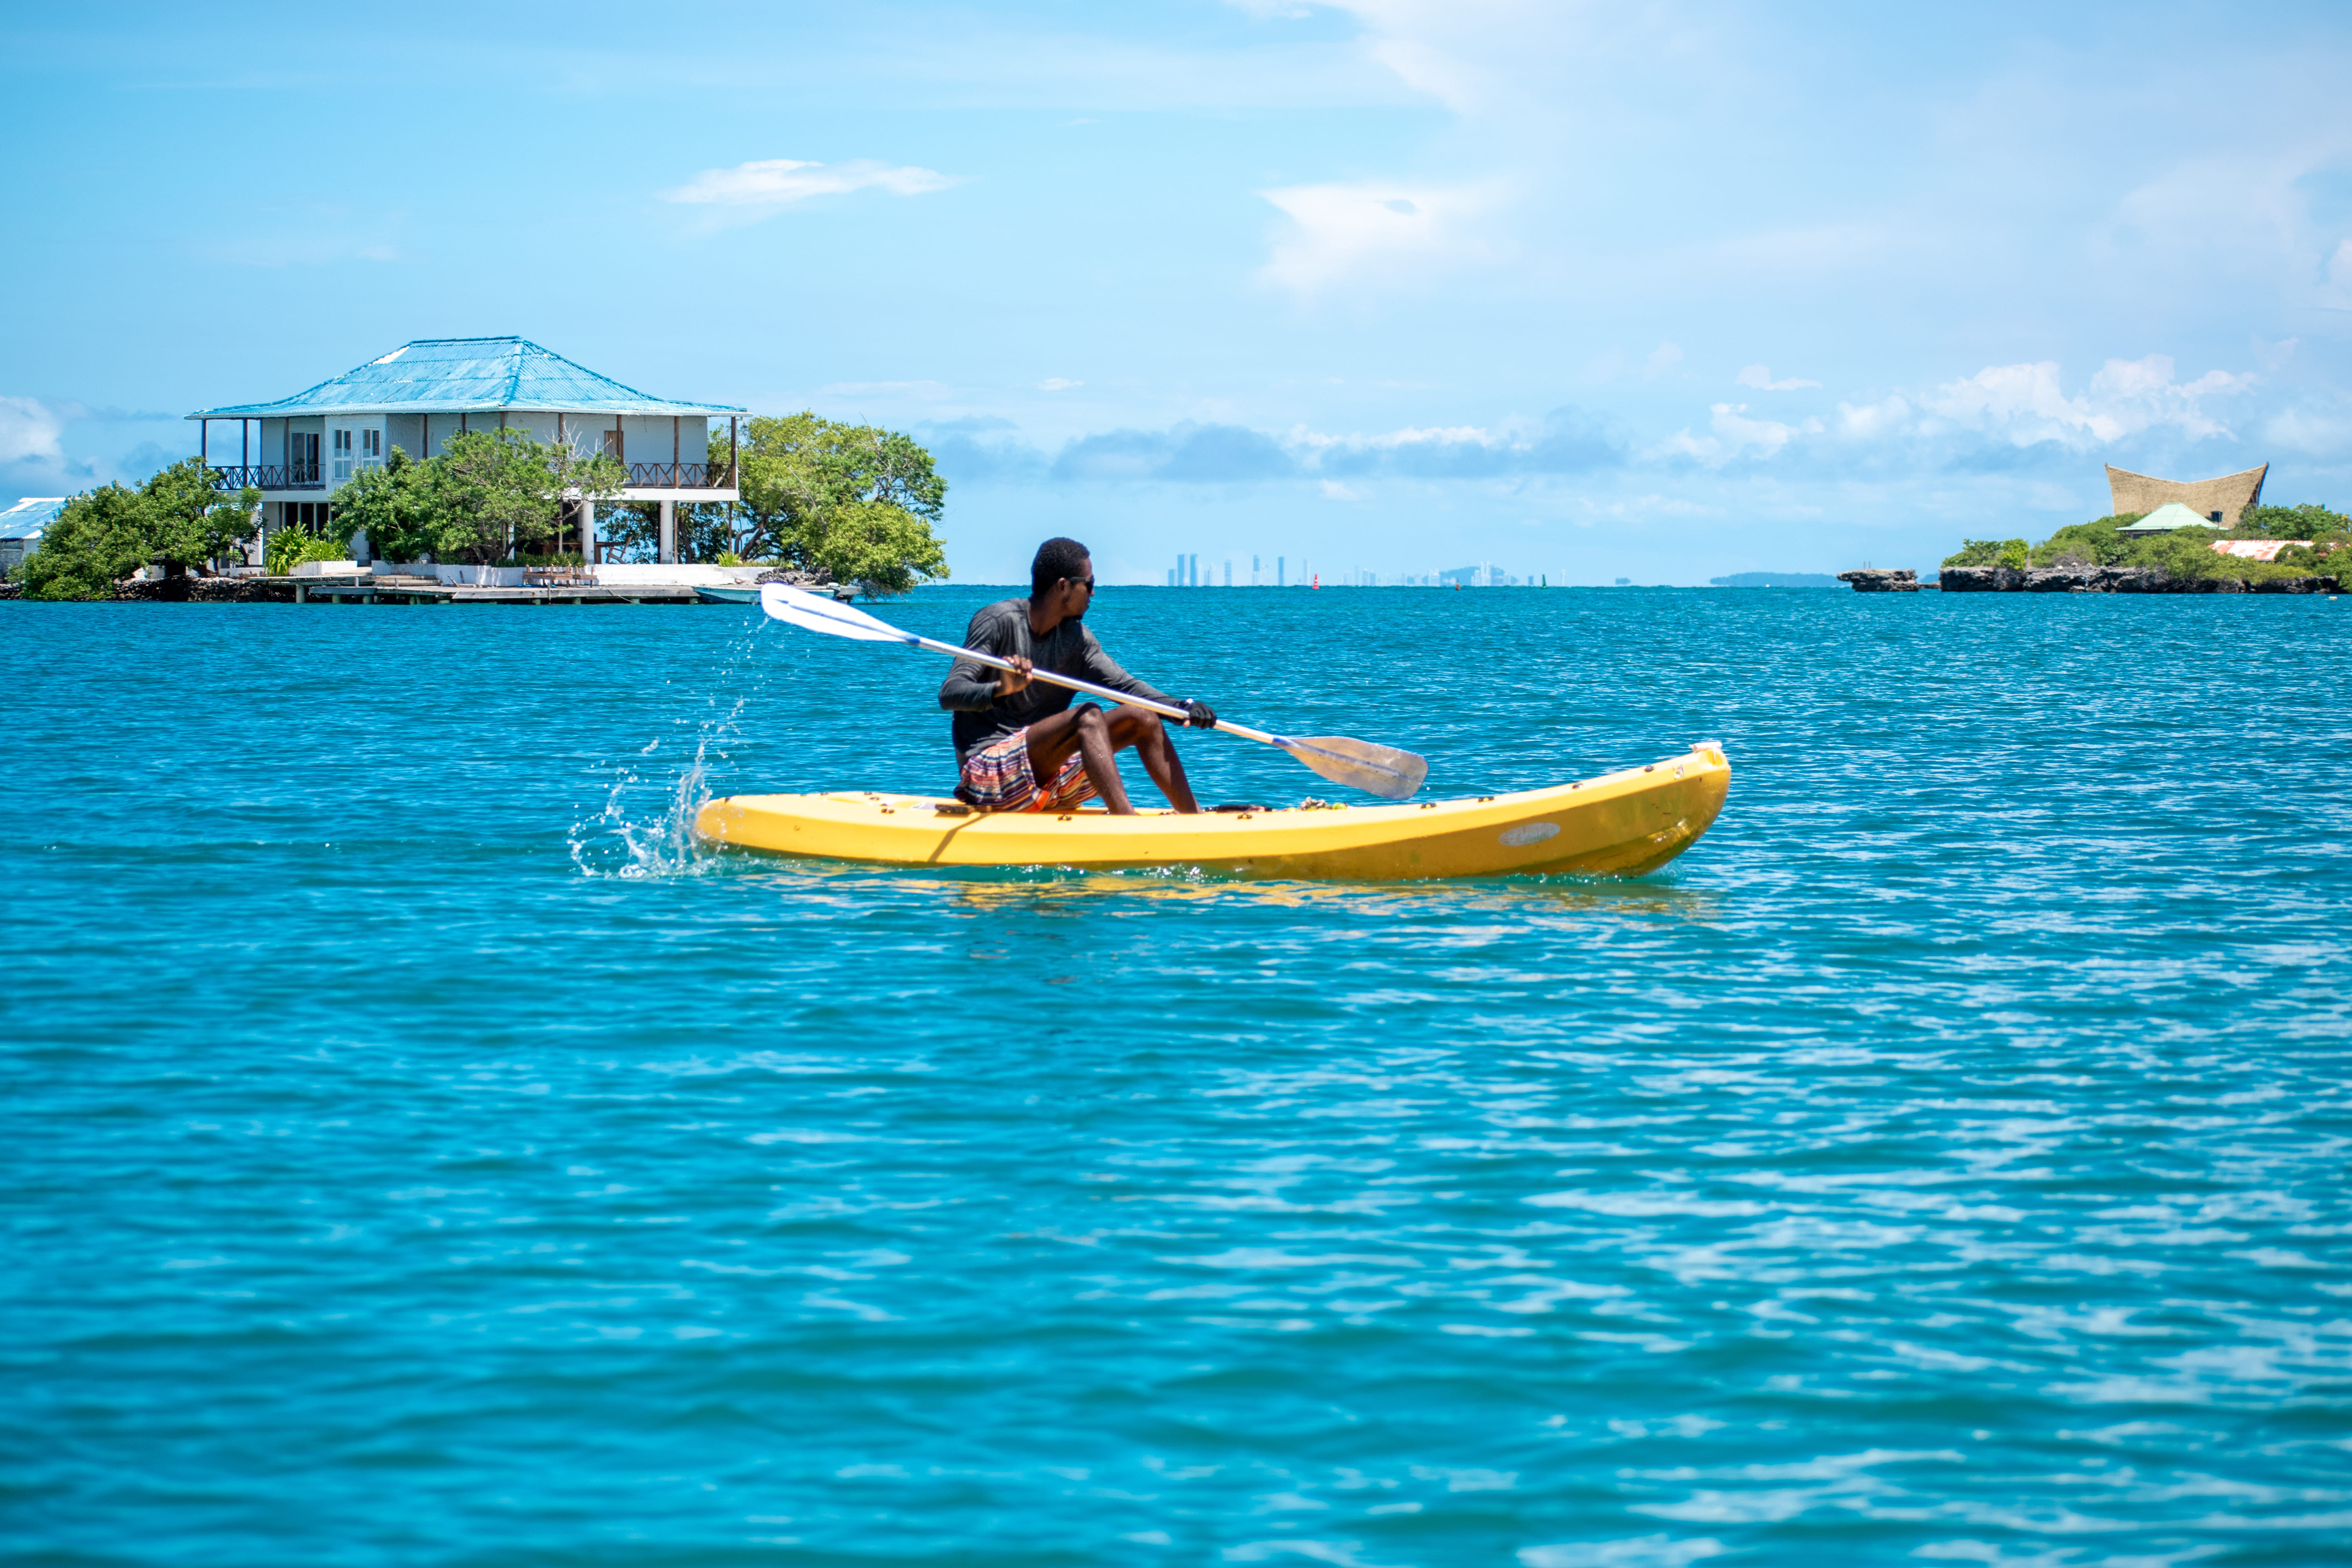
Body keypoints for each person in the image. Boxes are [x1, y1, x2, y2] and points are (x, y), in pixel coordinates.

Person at [939, 537, 1216, 815]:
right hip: (989, 779)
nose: (1093, 594)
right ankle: (1127, 824)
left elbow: (1125, 686)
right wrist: (1000, 689)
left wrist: (1180, 707)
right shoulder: (998, 621)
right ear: (1064, 586)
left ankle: (1195, 818)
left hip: (1050, 778)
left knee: (1142, 717)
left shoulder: (1077, 640)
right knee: (1088, 715)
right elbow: (950, 693)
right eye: (1089, 584)